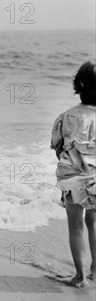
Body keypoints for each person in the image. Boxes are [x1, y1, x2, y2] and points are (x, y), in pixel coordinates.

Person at [50, 60, 96, 288]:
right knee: (94, 222)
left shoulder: (66, 116)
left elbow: (57, 147)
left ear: (78, 85)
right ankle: (95, 271)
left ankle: (79, 277)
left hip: (74, 177)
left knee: (76, 225)